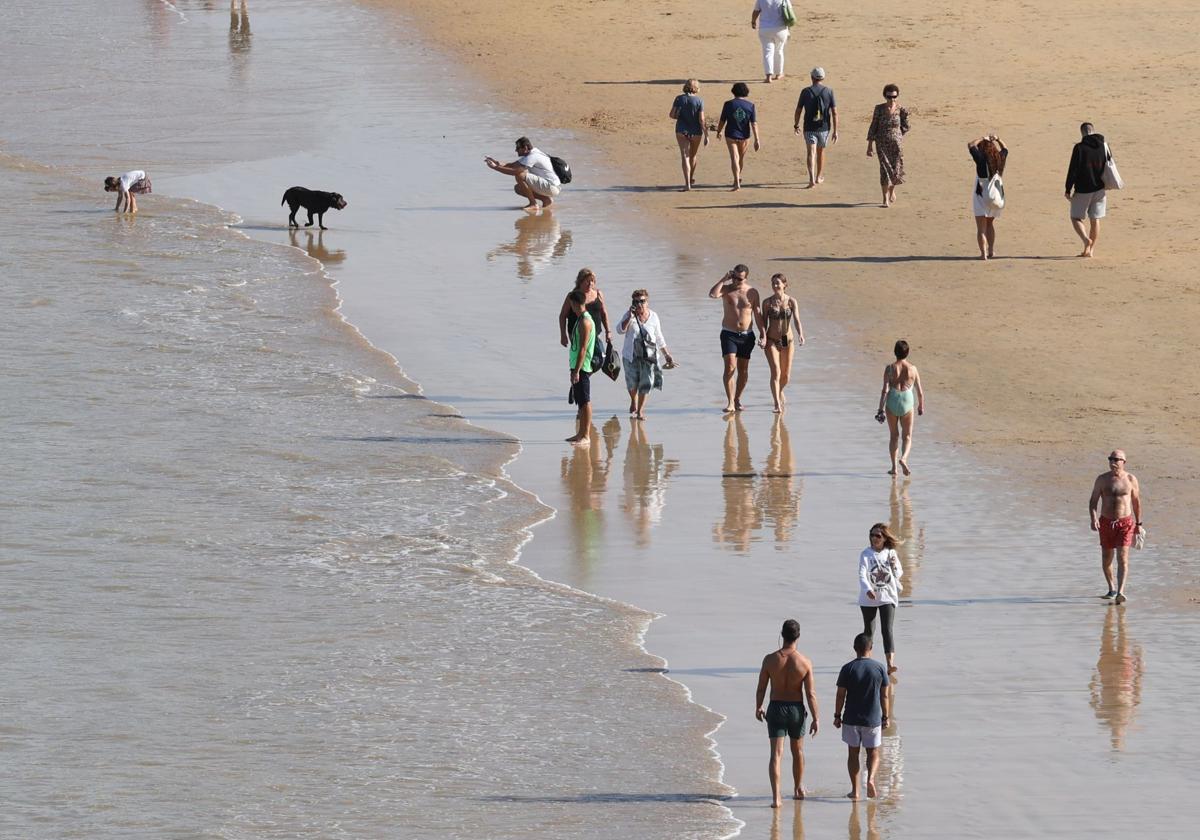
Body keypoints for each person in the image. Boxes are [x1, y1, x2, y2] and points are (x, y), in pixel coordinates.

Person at [755, 619, 819, 807]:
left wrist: (759, 706)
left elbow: (761, 688)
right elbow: (810, 693)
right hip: (796, 709)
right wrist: (816, 718)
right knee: (797, 751)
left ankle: (776, 798)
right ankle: (798, 788)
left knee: (776, 754)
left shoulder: (769, 659)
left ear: (782, 635)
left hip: (776, 708)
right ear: (798, 636)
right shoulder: (805, 662)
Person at [833, 633, 890, 800]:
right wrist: (885, 717)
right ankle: (871, 779)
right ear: (870, 648)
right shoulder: (880, 668)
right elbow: (884, 696)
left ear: (854, 649)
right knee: (873, 753)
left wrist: (837, 715)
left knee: (853, 754)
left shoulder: (847, 668)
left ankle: (855, 790)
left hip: (851, 718)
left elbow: (840, 695)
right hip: (872, 718)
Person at [1088, 450, 1143, 604]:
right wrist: (1093, 519)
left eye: (1116, 459)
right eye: (1110, 459)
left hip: (1125, 523)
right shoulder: (1102, 479)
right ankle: (1111, 588)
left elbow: (1136, 503)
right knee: (1107, 558)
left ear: (1124, 462)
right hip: (1105, 522)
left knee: (1122, 557)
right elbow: (1093, 501)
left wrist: (1138, 524)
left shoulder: (1131, 479)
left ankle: (1121, 591)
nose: (1113, 462)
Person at [709, 265, 763, 412]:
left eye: (739, 278)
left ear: (746, 278)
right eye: (734, 277)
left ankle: (737, 398)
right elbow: (713, 295)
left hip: (747, 335)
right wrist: (723, 279)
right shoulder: (726, 289)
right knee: (730, 367)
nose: (736, 281)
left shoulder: (752, 292)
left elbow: (757, 314)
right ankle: (730, 402)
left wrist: (763, 334)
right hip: (729, 334)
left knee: (743, 370)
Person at [617, 289, 673, 420]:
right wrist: (629, 317)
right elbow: (619, 330)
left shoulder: (654, 316)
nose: (639, 304)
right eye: (636, 302)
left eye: (642, 301)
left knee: (646, 383)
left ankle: (640, 411)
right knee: (632, 384)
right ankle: (633, 400)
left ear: (647, 302)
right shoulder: (629, 315)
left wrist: (667, 354)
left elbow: (659, 337)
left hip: (648, 356)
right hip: (630, 356)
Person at [858, 523, 903, 673]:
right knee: (869, 631)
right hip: (868, 598)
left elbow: (898, 574)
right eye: (872, 535)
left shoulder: (890, 553)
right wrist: (868, 589)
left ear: (884, 538)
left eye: (878, 535)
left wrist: (894, 565)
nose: (874, 538)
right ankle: (865, 661)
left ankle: (890, 664)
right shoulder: (865, 554)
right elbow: (862, 574)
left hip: (887, 596)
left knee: (887, 630)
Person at [875, 340, 924, 476]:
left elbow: (884, 390)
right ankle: (904, 458)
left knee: (894, 436)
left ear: (895, 352)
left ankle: (894, 468)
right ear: (907, 352)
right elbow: (919, 391)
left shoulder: (889, 368)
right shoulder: (913, 369)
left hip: (892, 400)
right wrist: (921, 406)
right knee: (907, 436)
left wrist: (880, 409)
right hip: (907, 401)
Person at [758, 273, 804, 413]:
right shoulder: (767, 302)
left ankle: (779, 391)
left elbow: (796, 320)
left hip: (787, 340)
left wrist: (801, 334)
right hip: (772, 340)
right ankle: (777, 404)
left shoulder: (791, 301)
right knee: (776, 372)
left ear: (785, 285)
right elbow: (763, 323)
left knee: (786, 376)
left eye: (778, 283)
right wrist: (763, 338)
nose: (775, 286)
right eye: (773, 283)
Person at [1065, 122, 1110, 258]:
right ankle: (1090, 250)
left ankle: (1086, 240)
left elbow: (1073, 170)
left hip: (1083, 189)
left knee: (1075, 217)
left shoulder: (1079, 148)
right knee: (1095, 218)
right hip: (1100, 188)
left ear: (1082, 133)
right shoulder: (1104, 145)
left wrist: (1068, 188)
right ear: (1093, 131)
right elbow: (1109, 164)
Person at [485, 136, 561, 212]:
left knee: (520, 175)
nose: (516, 150)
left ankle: (533, 204)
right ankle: (546, 199)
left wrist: (495, 168)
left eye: (518, 148)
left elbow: (515, 171)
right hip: (550, 186)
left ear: (525, 148)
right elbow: (512, 165)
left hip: (551, 187)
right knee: (519, 188)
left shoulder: (533, 156)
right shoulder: (532, 153)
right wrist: (495, 162)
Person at [866, 84, 910, 208]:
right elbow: (873, 126)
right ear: (885, 96)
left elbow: (906, 126)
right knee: (884, 169)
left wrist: (898, 135)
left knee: (896, 169)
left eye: (894, 97)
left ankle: (891, 190)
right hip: (881, 144)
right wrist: (869, 145)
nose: (892, 99)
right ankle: (885, 199)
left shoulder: (901, 109)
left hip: (896, 145)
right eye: (889, 97)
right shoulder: (879, 109)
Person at [558, 268, 612, 369]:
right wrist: (563, 335)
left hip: (595, 333)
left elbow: (604, 313)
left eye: (592, 281)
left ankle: (580, 379)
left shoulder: (598, 294)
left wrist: (608, 331)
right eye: (587, 281)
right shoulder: (573, 296)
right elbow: (562, 316)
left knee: (599, 360)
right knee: (583, 358)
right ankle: (578, 379)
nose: (590, 284)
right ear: (580, 281)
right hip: (577, 333)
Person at [794, 68, 837, 188]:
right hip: (824, 127)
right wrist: (835, 131)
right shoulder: (829, 91)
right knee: (821, 151)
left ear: (812, 77)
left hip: (809, 126)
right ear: (823, 78)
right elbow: (834, 112)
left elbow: (798, 110)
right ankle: (818, 177)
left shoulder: (805, 92)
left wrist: (796, 124)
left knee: (810, 152)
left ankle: (811, 179)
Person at [968, 133, 1008, 259]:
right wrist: (998, 139)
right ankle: (991, 250)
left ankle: (983, 253)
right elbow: (1005, 149)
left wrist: (982, 138)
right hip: (996, 197)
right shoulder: (999, 159)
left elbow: (970, 145)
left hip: (981, 195)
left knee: (981, 227)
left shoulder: (981, 159)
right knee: (990, 224)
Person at [716, 83, 760, 191]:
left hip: (731, 134)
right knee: (740, 158)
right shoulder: (750, 105)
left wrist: (719, 131)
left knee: (734, 158)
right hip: (745, 136)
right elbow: (754, 123)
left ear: (733, 91)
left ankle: (736, 181)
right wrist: (757, 139)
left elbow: (722, 120)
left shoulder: (728, 104)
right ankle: (738, 177)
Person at [565, 290, 596, 446]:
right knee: (580, 401)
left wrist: (577, 370)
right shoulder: (580, 319)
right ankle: (580, 433)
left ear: (575, 303)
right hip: (577, 366)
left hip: (583, 366)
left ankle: (586, 435)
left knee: (585, 401)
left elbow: (583, 348)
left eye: (571, 304)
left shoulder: (585, 321)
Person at [670, 80, 709, 190]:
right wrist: (706, 135)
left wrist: (680, 116)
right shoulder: (699, 100)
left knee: (685, 156)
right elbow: (701, 119)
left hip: (681, 130)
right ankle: (691, 178)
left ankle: (687, 184)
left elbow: (672, 114)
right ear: (697, 88)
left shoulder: (679, 99)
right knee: (693, 156)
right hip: (696, 132)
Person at [751, 0, 791, 84]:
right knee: (779, 51)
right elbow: (789, 11)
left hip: (765, 29)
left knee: (768, 52)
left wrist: (753, 21)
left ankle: (768, 76)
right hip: (781, 28)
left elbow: (756, 11)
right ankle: (778, 74)